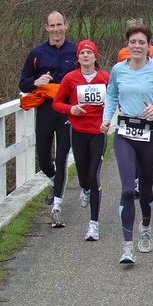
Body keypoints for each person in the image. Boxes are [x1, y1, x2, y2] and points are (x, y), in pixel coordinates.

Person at [100, 24, 153, 264]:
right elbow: (112, 95)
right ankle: (127, 246)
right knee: (126, 190)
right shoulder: (118, 70)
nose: (137, 46)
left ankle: (145, 227)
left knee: (145, 189)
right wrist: (106, 119)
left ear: (148, 46)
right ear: (127, 45)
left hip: (149, 135)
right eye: (133, 42)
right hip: (124, 135)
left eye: (141, 42)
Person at [19, 11, 76, 227]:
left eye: (59, 25)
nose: (56, 29)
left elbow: (87, 77)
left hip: (66, 111)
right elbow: (23, 83)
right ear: (46, 28)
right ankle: (55, 182)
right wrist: (36, 81)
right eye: (52, 26)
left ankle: (57, 208)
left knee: (61, 158)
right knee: (44, 160)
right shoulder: (36, 53)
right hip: (45, 110)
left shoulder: (75, 51)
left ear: (66, 26)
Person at [52, 40, 109, 241]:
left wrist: (108, 120)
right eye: (82, 53)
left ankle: (93, 224)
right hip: (78, 130)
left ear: (95, 57)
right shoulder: (70, 78)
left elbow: (114, 100)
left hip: (97, 131)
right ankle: (84, 187)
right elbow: (56, 103)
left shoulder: (105, 78)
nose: (85, 56)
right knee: (84, 176)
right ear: (78, 57)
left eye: (89, 53)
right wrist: (70, 109)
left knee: (94, 176)